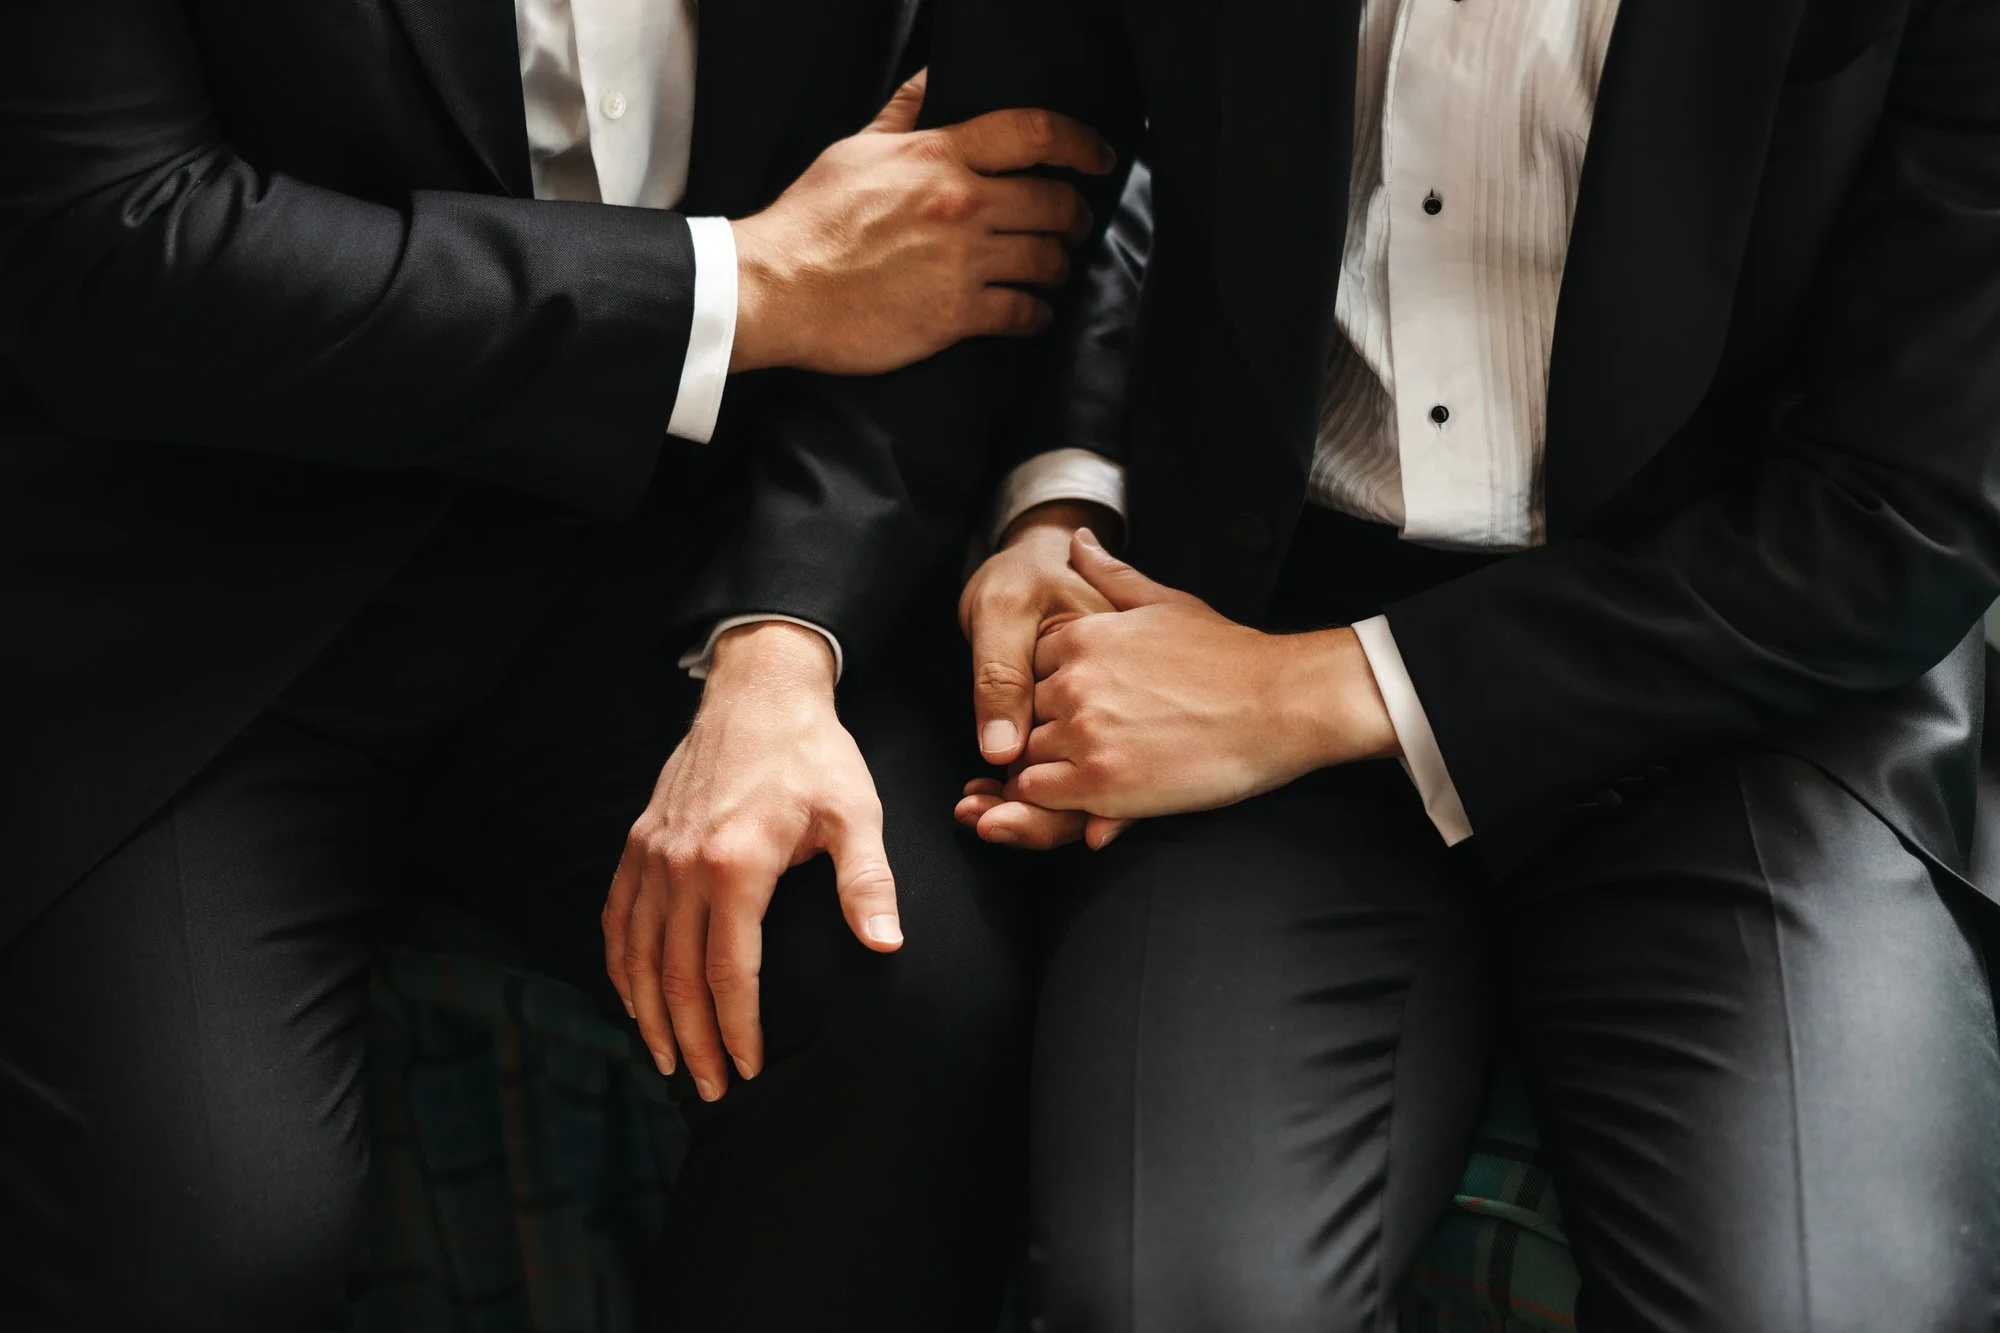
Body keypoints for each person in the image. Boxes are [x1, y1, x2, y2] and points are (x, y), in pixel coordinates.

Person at [643, 0, 2000, 1329]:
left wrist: (1310, 695)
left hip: (1740, 696)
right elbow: (991, 194)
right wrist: (1010, 519)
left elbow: (1910, 512)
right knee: (1166, 1303)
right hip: (1253, 618)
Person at [0, 0, 1121, 1327]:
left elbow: (968, 216)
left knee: (909, 1003)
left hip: (679, 569)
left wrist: (780, 637)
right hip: (202, 592)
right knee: (204, 1245)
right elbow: (112, 250)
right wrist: (730, 289)